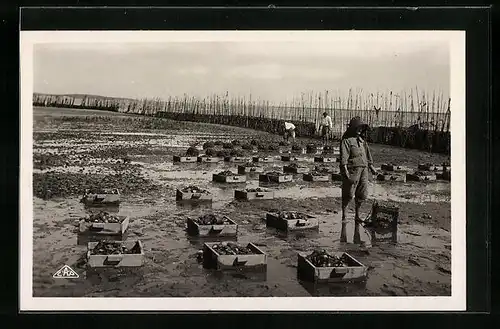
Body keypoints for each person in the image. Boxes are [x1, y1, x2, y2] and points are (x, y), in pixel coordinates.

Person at [339, 116, 377, 224]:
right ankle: (344, 215)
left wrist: (371, 167)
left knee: (362, 194)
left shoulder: (362, 140)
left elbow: (367, 154)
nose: (360, 130)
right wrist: (345, 170)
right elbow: (343, 157)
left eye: (361, 128)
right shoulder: (346, 141)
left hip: (364, 170)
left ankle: (357, 215)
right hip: (352, 170)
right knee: (349, 193)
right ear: (353, 128)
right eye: (358, 127)